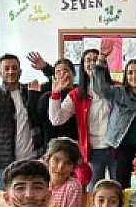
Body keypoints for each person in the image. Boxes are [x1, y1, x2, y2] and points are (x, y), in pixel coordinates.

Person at [0, 53, 50, 188]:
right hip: (6, 161)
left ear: (20, 71)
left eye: (14, 68)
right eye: (6, 68)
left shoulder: (31, 91)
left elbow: (55, 81)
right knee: (6, 199)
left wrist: (45, 68)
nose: (11, 72)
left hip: (33, 158)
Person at [49, 48, 115, 189]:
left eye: (96, 59)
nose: (92, 63)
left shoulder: (115, 89)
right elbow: (56, 119)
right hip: (93, 151)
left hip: (116, 149)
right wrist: (55, 94)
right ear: (82, 66)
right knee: (93, 192)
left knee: (119, 189)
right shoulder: (77, 94)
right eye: (88, 60)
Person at [91, 53, 136, 186]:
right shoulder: (119, 93)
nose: (134, 76)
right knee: (121, 186)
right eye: (130, 73)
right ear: (126, 76)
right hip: (122, 146)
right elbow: (99, 89)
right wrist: (101, 61)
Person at [44, 137, 84, 207]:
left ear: (73, 167)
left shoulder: (72, 187)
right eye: (56, 160)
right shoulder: (40, 182)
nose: (60, 167)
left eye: (67, 163)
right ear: (48, 159)